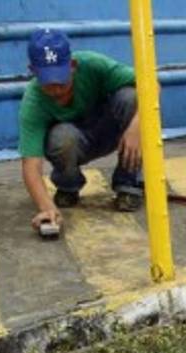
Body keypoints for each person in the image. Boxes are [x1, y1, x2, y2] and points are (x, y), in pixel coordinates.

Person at [17, 28, 143, 233]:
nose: (56, 90)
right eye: (48, 83)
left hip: (111, 131)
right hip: (72, 142)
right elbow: (30, 164)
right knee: (62, 137)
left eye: (61, 81)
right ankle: (68, 186)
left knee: (132, 97)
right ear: (33, 71)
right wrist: (47, 208)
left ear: (73, 66)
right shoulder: (33, 102)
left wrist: (136, 127)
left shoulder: (94, 64)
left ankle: (128, 184)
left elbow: (151, 84)